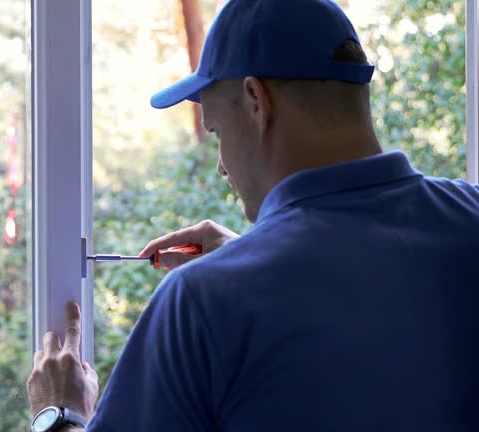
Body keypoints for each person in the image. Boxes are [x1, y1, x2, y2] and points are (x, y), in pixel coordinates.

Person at [26, 0, 479, 430]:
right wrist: (251, 259)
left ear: (256, 99)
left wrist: (59, 413)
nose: (222, 164)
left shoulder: (201, 304)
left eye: (217, 131)